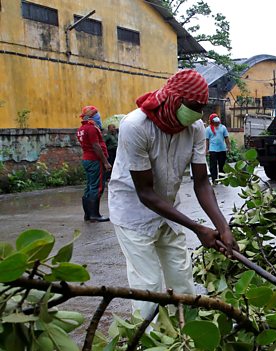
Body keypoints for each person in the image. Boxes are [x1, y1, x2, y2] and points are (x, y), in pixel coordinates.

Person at [108, 69, 239, 319]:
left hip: (169, 211)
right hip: (133, 213)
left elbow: (202, 182)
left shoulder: (195, 128)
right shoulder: (136, 126)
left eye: (202, 107)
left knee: (182, 281)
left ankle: (188, 341)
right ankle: (151, 343)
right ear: (175, 99)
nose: (198, 113)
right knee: (148, 287)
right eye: (194, 106)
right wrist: (198, 229)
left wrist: (222, 227)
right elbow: (145, 193)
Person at [76, 106, 112, 222]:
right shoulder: (91, 128)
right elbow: (96, 146)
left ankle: (88, 214)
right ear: (92, 116)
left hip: (87, 159)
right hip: (95, 160)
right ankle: (94, 215)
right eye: (97, 114)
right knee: (97, 187)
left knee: (90, 186)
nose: (99, 117)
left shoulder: (81, 129)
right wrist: (105, 162)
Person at [205, 113, 231, 183]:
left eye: (217, 122)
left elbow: (226, 138)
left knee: (222, 165)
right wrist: (206, 150)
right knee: (213, 166)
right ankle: (214, 180)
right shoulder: (208, 129)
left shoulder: (223, 128)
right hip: (213, 150)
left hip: (222, 149)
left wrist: (229, 147)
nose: (217, 123)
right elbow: (207, 140)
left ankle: (222, 179)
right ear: (212, 122)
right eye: (215, 122)